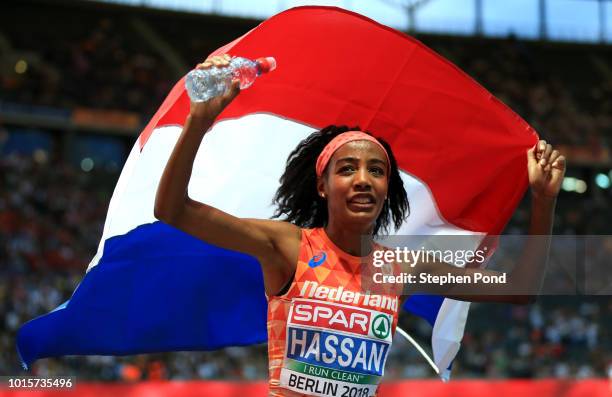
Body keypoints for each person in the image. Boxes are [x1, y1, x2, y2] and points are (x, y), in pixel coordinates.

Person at [154, 54, 566, 396]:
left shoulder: (398, 267)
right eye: (347, 169)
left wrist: (543, 201)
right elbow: (173, 210)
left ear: (387, 189)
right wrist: (198, 121)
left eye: (377, 171)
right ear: (322, 185)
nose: (363, 179)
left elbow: (520, 290)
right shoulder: (289, 246)